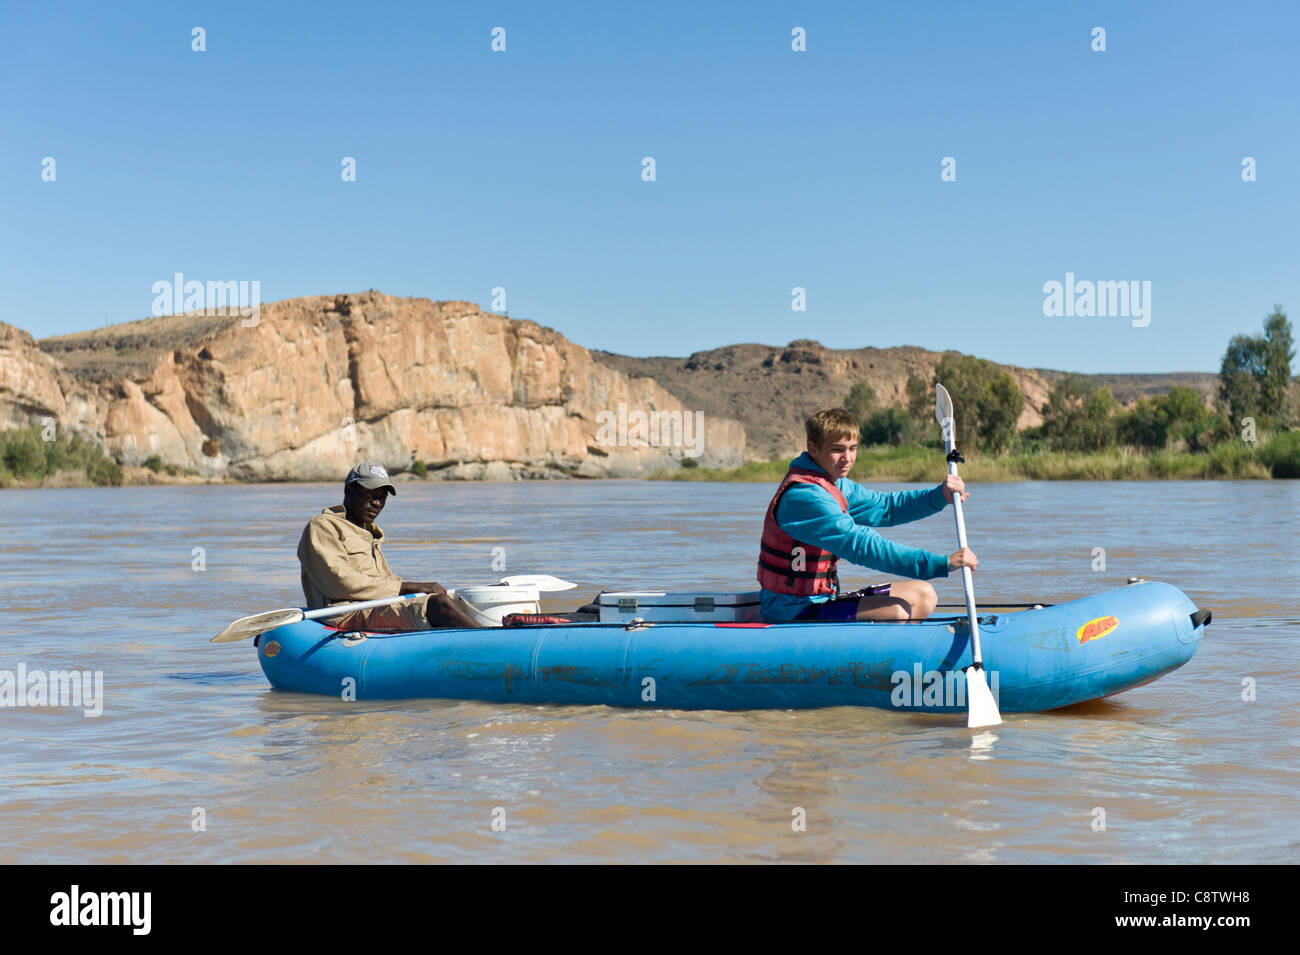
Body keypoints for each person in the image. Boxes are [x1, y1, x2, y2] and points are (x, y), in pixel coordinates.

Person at [758, 408, 977, 623]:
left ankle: (902, 656)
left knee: (924, 595)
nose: (847, 458)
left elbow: (887, 508)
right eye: (837, 449)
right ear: (813, 449)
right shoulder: (804, 497)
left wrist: (940, 496)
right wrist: (940, 563)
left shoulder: (836, 486)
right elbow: (862, 545)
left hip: (825, 600)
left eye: (852, 448)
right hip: (792, 611)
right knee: (896, 611)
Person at [297, 461, 480, 631]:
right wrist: (410, 587)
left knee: (460, 600)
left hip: (374, 606)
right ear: (349, 489)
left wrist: (415, 590)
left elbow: (386, 582)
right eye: (371, 495)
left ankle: (493, 633)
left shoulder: (368, 534)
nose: (377, 503)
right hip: (346, 613)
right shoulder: (322, 525)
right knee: (438, 604)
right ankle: (493, 642)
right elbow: (339, 583)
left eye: (382, 498)